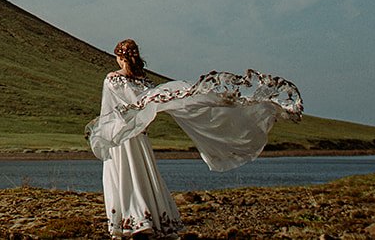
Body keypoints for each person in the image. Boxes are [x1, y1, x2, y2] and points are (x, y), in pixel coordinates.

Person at [87, 39, 303, 238]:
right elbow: (154, 105)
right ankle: (145, 219)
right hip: (138, 136)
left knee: (124, 176)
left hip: (120, 137)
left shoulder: (113, 79)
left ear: (121, 57)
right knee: (140, 174)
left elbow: (113, 111)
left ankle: (131, 221)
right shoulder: (146, 83)